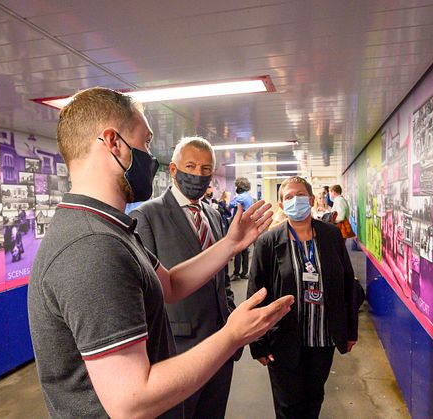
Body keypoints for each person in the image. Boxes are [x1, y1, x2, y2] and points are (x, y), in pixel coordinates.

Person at [27, 87, 294, 419]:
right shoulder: (92, 247)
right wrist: (232, 335)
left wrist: (230, 244)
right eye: (146, 142)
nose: (151, 157)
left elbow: (169, 285)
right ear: (113, 143)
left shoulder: (112, 228)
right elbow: (132, 402)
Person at [131, 137, 239, 418]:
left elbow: (222, 279)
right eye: (191, 166)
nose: (199, 175)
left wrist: (229, 319)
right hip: (176, 351)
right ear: (174, 171)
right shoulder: (147, 216)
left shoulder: (213, 215)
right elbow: (145, 294)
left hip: (220, 348)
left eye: (206, 169)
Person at [248, 176, 359, 419]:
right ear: (281, 205)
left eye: (300, 195)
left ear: (310, 200)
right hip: (283, 340)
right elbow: (256, 294)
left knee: (314, 399)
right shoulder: (268, 242)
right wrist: (258, 343)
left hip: (323, 338)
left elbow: (347, 284)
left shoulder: (331, 236)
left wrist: (350, 330)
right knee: (288, 406)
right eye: (288, 197)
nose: (295, 200)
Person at [229, 177, 255, 280]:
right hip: (247, 225)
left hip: (239, 225)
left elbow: (230, 205)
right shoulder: (249, 197)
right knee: (245, 250)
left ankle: (236, 273)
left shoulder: (240, 197)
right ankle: (244, 272)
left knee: (237, 250)